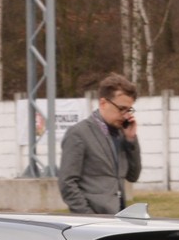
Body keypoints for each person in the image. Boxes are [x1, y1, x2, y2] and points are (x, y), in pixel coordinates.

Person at [58, 72, 142, 213]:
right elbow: (67, 183)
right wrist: (88, 217)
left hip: (118, 217)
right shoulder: (78, 134)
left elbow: (133, 176)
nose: (126, 115)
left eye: (129, 110)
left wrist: (130, 140)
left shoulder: (121, 134)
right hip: (92, 220)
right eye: (121, 109)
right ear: (103, 103)